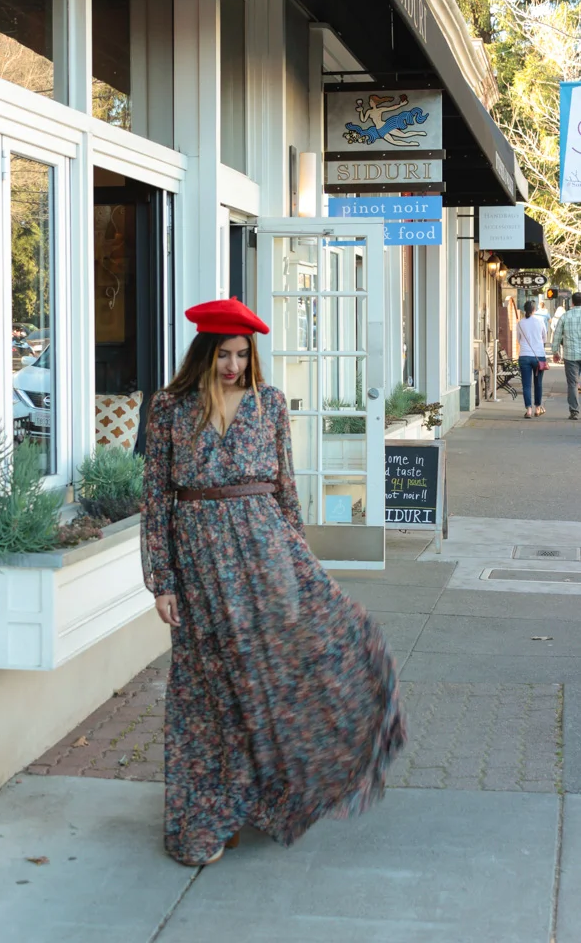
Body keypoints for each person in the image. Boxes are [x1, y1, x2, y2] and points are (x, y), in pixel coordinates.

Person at [141, 297, 406, 867]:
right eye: (223, 355)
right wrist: (161, 580)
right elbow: (156, 500)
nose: (233, 365)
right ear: (203, 354)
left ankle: (260, 800)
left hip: (265, 555)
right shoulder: (169, 408)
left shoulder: (270, 405)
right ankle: (206, 817)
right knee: (206, 691)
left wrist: (300, 564)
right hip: (201, 565)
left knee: (269, 682)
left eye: (241, 354)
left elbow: (285, 491)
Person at [552, 291, 581, 420]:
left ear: (572, 302)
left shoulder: (565, 316)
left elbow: (557, 335)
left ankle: (574, 411)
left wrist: (555, 351)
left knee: (573, 384)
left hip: (571, 356)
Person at [517, 299, 547, 418]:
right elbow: (544, 338)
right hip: (538, 356)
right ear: (534, 309)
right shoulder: (540, 321)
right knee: (538, 383)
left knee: (526, 385)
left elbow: (518, 340)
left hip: (524, 355)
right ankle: (538, 408)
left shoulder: (520, 323)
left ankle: (528, 410)